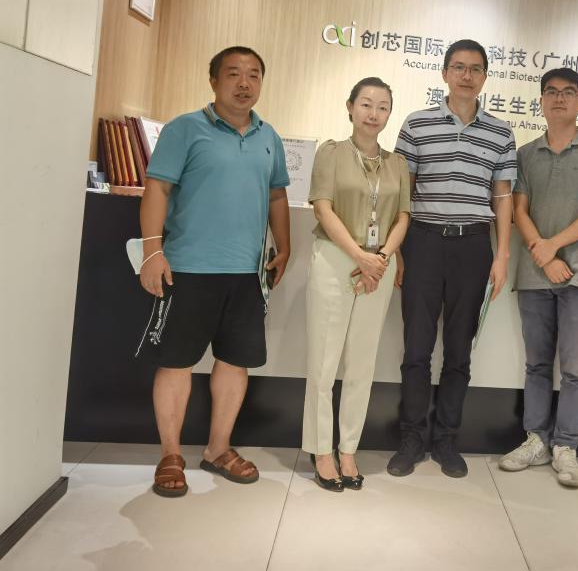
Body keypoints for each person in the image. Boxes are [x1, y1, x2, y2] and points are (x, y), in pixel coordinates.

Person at [138, 46, 290, 498]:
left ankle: (218, 449)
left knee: (235, 362)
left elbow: (277, 195)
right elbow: (157, 189)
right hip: (186, 269)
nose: (244, 83)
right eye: (234, 74)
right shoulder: (185, 129)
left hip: (246, 273)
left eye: (254, 75)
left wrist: (285, 246)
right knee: (176, 362)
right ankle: (170, 455)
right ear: (213, 80)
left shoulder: (269, 136)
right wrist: (152, 252)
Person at [387, 39, 517, 478]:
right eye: (458, 67)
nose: (466, 75)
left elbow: (503, 197)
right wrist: (399, 254)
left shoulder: (501, 132)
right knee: (416, 349)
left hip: (472, 247)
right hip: (423, 243)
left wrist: (501, 255)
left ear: (484, 78)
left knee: (460, 350)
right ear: (444, 73)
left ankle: (445, 440)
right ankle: (411, 438)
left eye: (475, 69)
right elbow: (403, 193)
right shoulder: (416, 124)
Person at [499, 68, 578, 488]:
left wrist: (553, 247)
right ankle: (537, 440)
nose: (559, 99)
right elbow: (519, 210)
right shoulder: (526, 153)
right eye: (551, 92)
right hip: (535, 275)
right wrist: (543, 253)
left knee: (576, 369)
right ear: (541, 101)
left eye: (568, 93)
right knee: (536, 364)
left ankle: (566, 446)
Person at [302, 77, 410, 491]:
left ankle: (348, 449)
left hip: (379, 265)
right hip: (335, 259)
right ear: (350, 107)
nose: (373, 113)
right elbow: (323, 208)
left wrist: (380, 258)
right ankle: (321, 450)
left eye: (382, 107)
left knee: (362, 364)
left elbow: (403, 216)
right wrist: (360, 256)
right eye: (365, 104)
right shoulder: (331, 153)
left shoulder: (397, 164)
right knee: (324, 363)